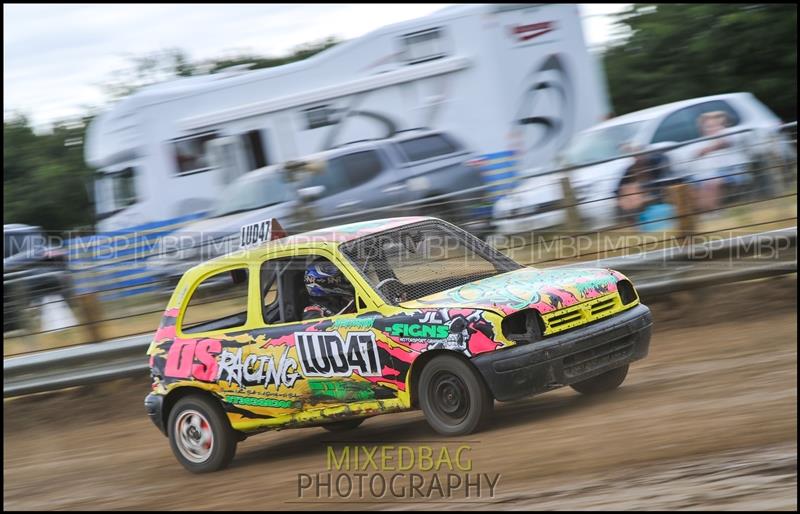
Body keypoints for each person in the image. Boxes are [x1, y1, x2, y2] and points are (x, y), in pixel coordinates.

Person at [691, 111, 751, 213]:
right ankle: (705, 211)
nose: (712, 129)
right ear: (702, 129)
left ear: (723, 125)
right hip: (711, 172)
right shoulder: (704, 141)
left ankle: (714, 210)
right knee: (701, 183)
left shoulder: (727, 134)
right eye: (708, 127)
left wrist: (707, 150)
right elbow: (697, 156)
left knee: (713, 182)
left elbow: (723, 143)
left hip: (732, 171)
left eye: (715, 126)